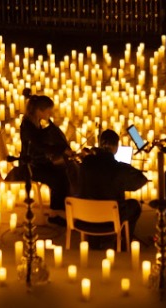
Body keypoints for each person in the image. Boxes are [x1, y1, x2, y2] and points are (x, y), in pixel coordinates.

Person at [73, 129, 148, 248]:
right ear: (116, 147)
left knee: (94, 198)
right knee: (135, 206)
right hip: (110, 219)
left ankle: (94, 241)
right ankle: (123, 244)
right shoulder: (119, 168)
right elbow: (141, 180)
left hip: (85, 217)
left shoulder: (85, 163)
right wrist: (126, 170)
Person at [18, 93, 72, 224]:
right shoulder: (27, 126)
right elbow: (39, 146)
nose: (50, 114)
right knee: (57, 178)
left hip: (38, 162)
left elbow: (40, 139)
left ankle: (58, 210)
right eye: (48, 111)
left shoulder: (35, 122)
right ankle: (55, 214)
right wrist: (60, 149)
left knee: (63, 172)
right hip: (30, 166)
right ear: (39, 111)